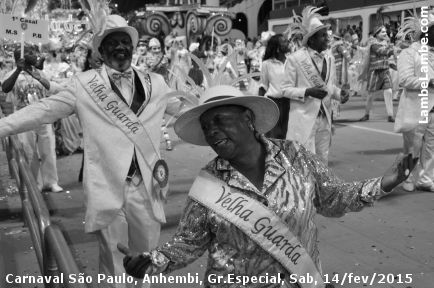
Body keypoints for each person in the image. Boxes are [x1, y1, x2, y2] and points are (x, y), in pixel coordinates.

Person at [118, 84, 417, 288]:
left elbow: (332, 198)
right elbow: (188, 241)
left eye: (220, 120)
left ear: (248, 119)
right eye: (207, 127)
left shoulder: (295, 156)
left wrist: (383, 184)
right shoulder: (209, 182)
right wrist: (151, 260)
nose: (212, 132)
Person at [0, 15, 176, 288]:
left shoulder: (158, 83)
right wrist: (2, 126)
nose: (120, 47)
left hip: (147, 187)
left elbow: (191, 111)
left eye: (124, 42)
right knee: (115, 268)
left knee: (145, 263)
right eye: (112, 42)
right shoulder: (83, 85)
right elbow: (44, 110)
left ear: (132, 47)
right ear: (101, 51)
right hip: (107, 187)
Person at [281, 6, 350, 164]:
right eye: (323, 36)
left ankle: (320, 189)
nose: (328, 39)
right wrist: (307, 91)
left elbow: (329, 87)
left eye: (327, 35)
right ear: (311, 39)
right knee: (305, 162)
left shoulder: (329, 58)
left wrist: (340, 95)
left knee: (322, 159)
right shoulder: (295, 59)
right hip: (304, 119)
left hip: (325, 117)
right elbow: (285, 90)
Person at [1, 45, 63, 193]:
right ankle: (35, 183)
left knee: (48, 150)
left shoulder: (40, 72)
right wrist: (18, 70)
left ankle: (51, 182)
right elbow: (5, 88)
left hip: (44, 117)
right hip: (24, 119)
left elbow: (50, 88)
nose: (34, 55)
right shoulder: (11, 74)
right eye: (29, 53)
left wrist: (39, 76)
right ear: (20, 56)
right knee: (29, 152)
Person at [396, 13, 434, 192]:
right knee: (412, 145)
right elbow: (404, 79)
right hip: (416, 106)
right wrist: (428, 82)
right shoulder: (409, 52)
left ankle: (426, 178)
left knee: (431, 146)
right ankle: (407, 176)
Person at [359, 25, 395, 122]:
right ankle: (366, 114)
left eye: (385, 32)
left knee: (389, 92)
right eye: (383, 32)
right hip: (375, 72)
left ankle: (390, 115)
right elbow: (382, 52)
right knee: (371, 94)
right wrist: (392, 48)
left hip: (385, 70)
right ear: (377, 34)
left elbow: (388, 54)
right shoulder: (373, 44)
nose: (385, 33)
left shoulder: (385, 43)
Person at [259, 33, 290, 139]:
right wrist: (261, 107)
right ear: (277, 46)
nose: (287, 43)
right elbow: (263, 86)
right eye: (284, 42)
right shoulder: (267, 64)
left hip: (290, 103)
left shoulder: (292, 61)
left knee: (288, 135)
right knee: (273, 137)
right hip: (273, 104)